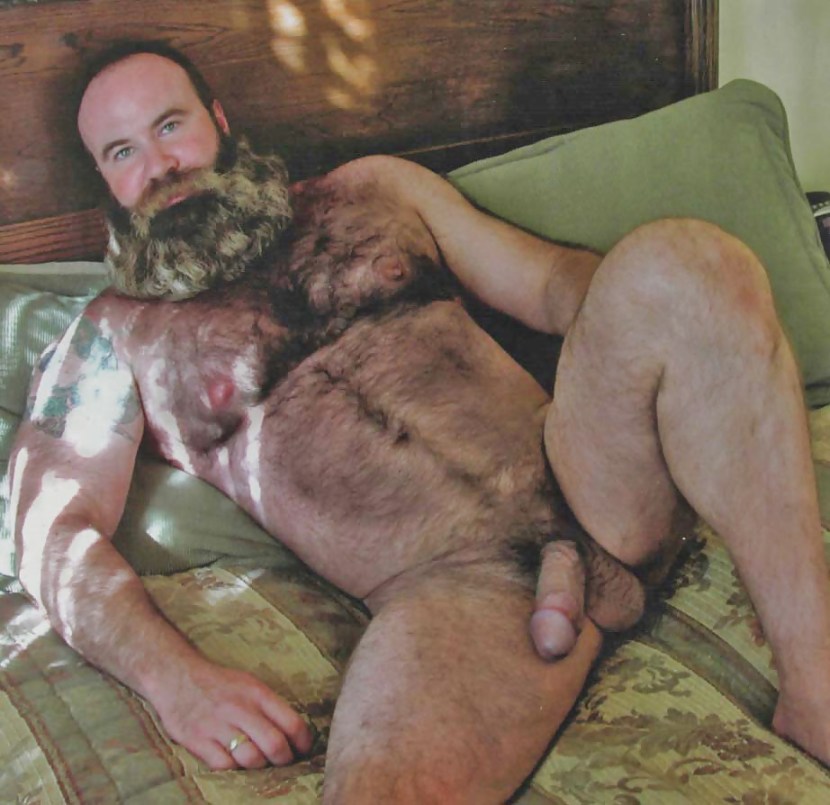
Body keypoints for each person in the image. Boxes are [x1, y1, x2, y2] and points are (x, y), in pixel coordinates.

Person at [8, 39, 830, 801]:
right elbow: (51, 532)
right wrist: (176, 682)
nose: (161, 166)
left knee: (687, 259)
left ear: (218, 121)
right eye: (123, 152)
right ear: (104, 181)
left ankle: (817, 684)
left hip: (588, 471)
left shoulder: (369, 190)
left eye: (170, 126)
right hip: (456, 589)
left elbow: (555, 287)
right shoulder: (114, 335)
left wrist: (662, 359)